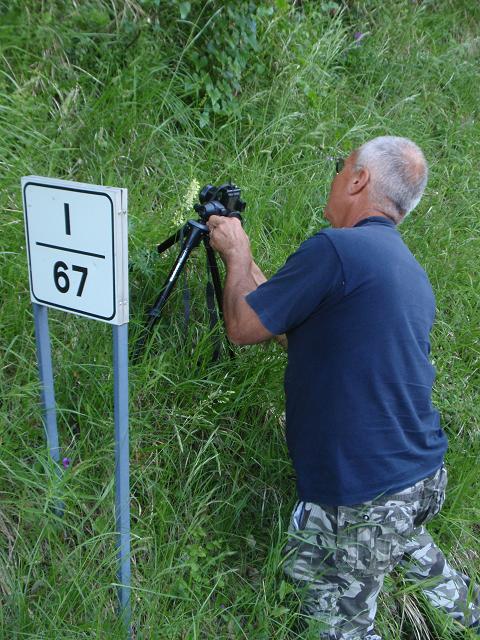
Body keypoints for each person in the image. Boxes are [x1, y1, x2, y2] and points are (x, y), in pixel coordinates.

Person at [206, 136, 480, 639]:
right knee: (393, 533)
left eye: (341, 167)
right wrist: (246, 265)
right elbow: (286, 321)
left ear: (358, 179)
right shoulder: (405, 271)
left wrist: (236, 253)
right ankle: (466, 614)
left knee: (326, 612)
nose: (335, 177)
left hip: (364, 491)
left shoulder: (337, 248)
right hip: (418, 473)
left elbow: (244, 326)